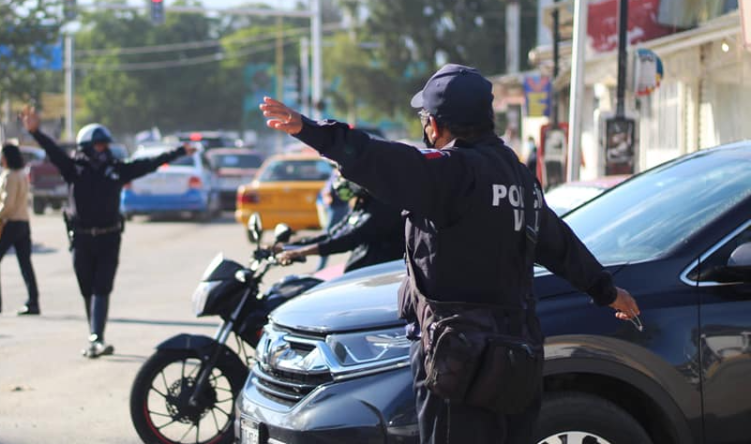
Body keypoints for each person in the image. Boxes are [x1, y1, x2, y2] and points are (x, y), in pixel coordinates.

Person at [260, 64, 640, 444]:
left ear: (437, 124)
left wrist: (308, 129)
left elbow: (376, 157)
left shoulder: (452, 173)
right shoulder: (519, 178)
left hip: (458, 363)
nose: (424, 129)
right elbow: (560, 244)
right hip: (517, 356)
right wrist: (606, 291)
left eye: (425, 118)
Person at [20, 107, 196, 358]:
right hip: (81, 238)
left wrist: (179, 151)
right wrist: (35, 132)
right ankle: (94, 333)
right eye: (99, 145)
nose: (103, 149)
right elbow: (53, 150)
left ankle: (96, 336)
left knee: (102, 287)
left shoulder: (116, 169)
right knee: (87, 288)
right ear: (86, 146)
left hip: (109, 237)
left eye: (105, 145)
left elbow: (150, 163)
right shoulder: (73, 168)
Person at [276, 176, 403, 273]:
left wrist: (301, 252)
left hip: (381, 274)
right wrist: (288, 247)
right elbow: (333, 234)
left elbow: (349, 239)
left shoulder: (383, 206)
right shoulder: (362, 203)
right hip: (364, 271)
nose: (341, 179)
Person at [0, 143, 40, 315]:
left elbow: (8, 203)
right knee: (25, 263)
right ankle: (33, 300)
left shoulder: (11, 176)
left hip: (10, 223)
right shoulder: (21, 174)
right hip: (23, 222)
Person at [314, 170, 351, 270]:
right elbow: (327, 191)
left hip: (340, 207)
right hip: (336, 207)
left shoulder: (339, 173)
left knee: (331, 235)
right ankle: (321, 266)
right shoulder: (335, 174)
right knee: (329, 235)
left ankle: (321, 266)